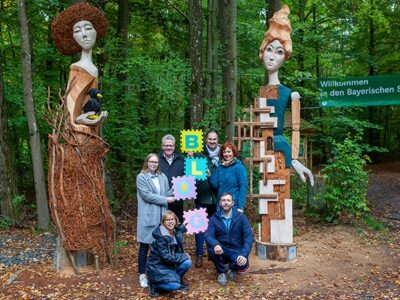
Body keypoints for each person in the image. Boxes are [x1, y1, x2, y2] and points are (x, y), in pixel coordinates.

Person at [49, 3, 114, 273]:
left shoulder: (94, 68)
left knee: (89, 197)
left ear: (96, 32)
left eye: (88, 28)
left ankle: (92, 248)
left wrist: (96, 120)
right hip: (79, 141)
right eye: (78, 30)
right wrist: (94, 120)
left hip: (89, 142)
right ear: (72, 38)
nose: (84, 33)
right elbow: (71, 115)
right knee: (79, 196)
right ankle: (76, 251)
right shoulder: (78, 69)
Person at [136, 153, 176, 288]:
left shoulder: (162, 177)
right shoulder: (141, 177)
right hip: (148, 216)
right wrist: (166, 199)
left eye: (156, 162)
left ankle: (159, 273)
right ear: (147, 162)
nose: (153, 164)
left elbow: (166, 193)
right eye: (151, 162)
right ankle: (142, 274)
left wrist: (178, 188)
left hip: (162, 217)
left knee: (161, 246)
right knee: (144, 246)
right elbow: (147, 196)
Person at [205, 193, 254, 286]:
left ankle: (231, 268)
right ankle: (222, 272)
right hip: (222, 250)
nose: (226, 203)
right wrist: (215, 244)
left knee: (242, 264)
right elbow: (208, 235)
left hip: (237, 250)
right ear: (220, 203)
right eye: (223, 200)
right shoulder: (214, 218)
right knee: (211, 248)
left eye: (228, 200)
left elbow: (249, 236)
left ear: (233, 203)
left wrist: (244, 254)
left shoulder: (241, 217)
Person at [146, 211, 192, 297]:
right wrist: (183, 255)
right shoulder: (161, 237)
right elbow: (166, 257)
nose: (170, 222)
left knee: (187, 262)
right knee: (174, 286)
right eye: (167, 220)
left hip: (170, 264)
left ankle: (176, 279)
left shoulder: (175, 231)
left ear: (176, 220)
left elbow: (187, 224)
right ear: (163, 222)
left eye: (172, 219)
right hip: (158, 267)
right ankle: (154, 285)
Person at [193, 130, 220, 267]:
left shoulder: (222, 156)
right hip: (201, 196)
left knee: (214, 227)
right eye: (210, 139)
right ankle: (198, 254)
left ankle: (212, 251)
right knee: (198, 227)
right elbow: (192, 176)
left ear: (217, 140)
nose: (212, 141)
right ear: (206, 140)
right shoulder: (199, 155)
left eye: (214, 139)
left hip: (216, 199)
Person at [208, 141, 248, 213]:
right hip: (221, 205)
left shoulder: (239, 167)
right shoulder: (220, 167)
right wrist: (209, 176)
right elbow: (216, 185)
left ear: (233, 152)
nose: (226, 154)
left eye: (229, 152)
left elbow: (243, 187)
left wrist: (240, 207)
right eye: (224, 152)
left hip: (234, 206)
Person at [158, 134, 185, 222]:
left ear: (174, 146)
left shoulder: (182, 160)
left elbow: (188, 178)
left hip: (177, 201)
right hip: (160, 200)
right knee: (160, 227)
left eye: (171, 145)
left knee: (176, 226)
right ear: (162, 146)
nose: (168, 148)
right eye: (166, 145)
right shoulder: (156, 159)